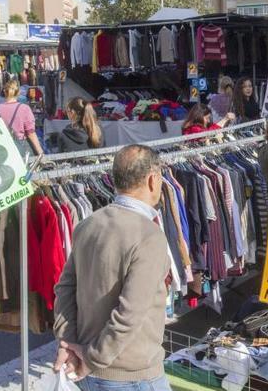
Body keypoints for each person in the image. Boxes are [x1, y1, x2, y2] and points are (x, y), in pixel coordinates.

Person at [53, 145, 172, 391]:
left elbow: (65, 289)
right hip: (131, 376)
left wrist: (68, 343)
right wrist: (91, 358)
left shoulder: (89, 224)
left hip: (88, 366)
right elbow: (129, 314)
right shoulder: (149, 236)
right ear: (152, 180)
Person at [0, 79, 43, 157]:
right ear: (18, 92)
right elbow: (31, 133)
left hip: (4, 149)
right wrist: (40, 152)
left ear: (5, 92)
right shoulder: (24, 108)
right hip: (21, 148)